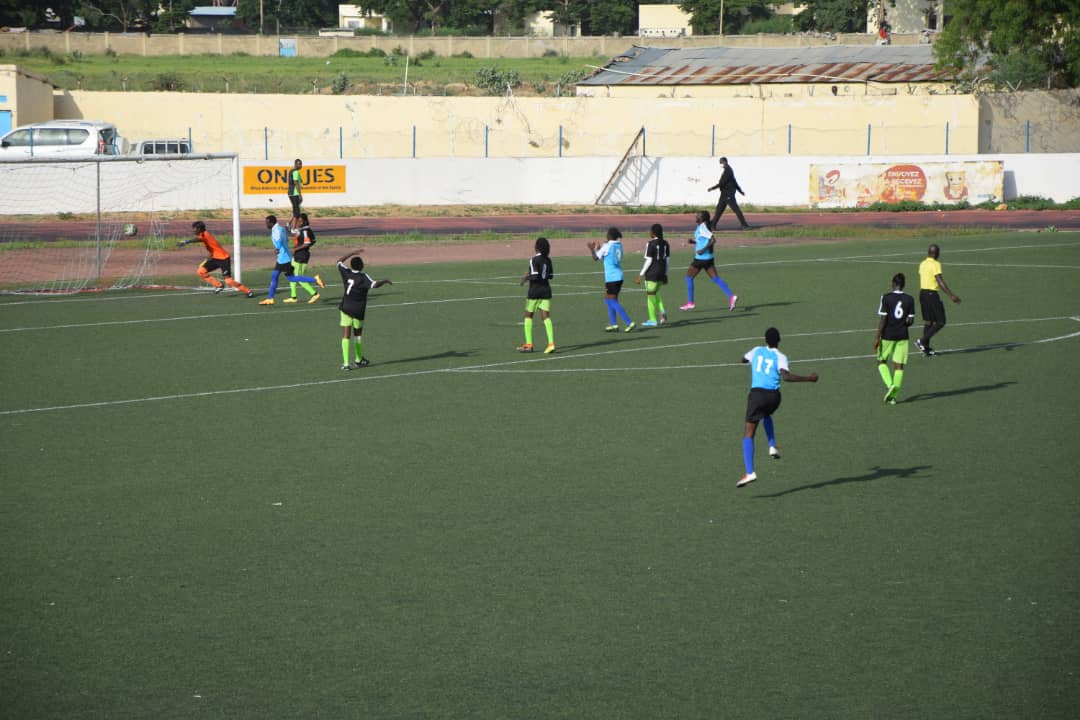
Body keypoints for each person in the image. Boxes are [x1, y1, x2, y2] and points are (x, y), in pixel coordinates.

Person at [737, 327, 818, 488]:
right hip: (774, 397)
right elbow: (786, 377)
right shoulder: (780, 356)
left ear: (765, 340)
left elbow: (743, 359)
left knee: (748, 434)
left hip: (757, 395)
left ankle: (750, 472)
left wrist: (750, 360)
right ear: (779, 341)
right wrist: (808, 378)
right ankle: (772, 446)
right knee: (766, 414)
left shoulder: (756, 350)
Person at [337, 249, 391, 370]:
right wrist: (385, 281)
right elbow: (375, 285)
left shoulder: (346, 273)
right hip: (358, 310)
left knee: (346, 335)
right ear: (362, 266)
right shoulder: (363, 277)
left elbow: (339, 261)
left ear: (351, 265)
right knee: (357, 335)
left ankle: (346, 364)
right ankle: (358, 359)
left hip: (346, 307)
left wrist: (352, 253)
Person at [258, 214, 324, 306]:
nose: (266, 225)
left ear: (271, 222)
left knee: (276, 276)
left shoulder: (276, 230)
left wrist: (277, 248)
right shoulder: (281, 228)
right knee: (290, 278)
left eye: (267, 223)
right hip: (286, 256)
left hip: (283, 258)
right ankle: (273, 298)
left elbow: (279, 240)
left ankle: (270, 298)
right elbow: (287, 236)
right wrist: (293, 216)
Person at [176, 221, 253, 297]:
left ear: (199, 229)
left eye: (194, 229)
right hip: (215, 258)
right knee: (201, 271)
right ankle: (219, 285)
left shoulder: (205, 234)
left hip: (224, 259)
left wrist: (186, 242)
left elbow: (198, 239)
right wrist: (208, 258)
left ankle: (248, 291)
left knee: (228, 281)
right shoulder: (203, 235)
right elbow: (212, 248)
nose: (193, 230)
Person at [680, 210, 738, 312]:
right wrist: (693, 242)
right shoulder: (701, 227)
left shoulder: (702, 227)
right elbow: (703, 240)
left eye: (698, 215)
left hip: (700, 259)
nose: (696, 216)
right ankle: (731, 296)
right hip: (709, 258)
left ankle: (690, 303)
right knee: (715, 278)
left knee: (688, 278)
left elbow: (713, 240)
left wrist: (702, 250)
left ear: (702, 218)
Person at [874, 272, 916, 404]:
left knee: (881, 362)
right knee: (899, 366)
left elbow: (883, 319)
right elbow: (910, 321)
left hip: (888, 335)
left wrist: (877, 337)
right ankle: (893, 397)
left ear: (893, 283)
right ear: (903, 285)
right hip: (903, 336)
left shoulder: (886, 297)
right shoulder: (910, 299)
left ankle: (889, 385)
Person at [914, 243, 961, 356]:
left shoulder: (922, 263)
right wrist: (951, 295)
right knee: (941, 321)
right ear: (936, 253)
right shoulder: (935, 264)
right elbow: (939, 280)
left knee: (928, 322)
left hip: (922, 294)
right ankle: (922, 341)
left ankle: (925, 349)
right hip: (931, 294)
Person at [586, 227, 635, 333]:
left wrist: (592, 249)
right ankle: (614, 325)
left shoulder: (607, 246)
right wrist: (600, 249)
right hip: (619, 276)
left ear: (610, 236)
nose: (606, 236)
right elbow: (607, 257)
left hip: (612, 277)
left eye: (607, 234)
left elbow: (595, 258)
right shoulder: (618, 245)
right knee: (610, 299)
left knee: (610, 300)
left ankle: (629, 322)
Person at [518, 236, 555, 354]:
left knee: (528, 316)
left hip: (535, 291)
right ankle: (551, 343)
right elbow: (550, 276)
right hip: (546, 290)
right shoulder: (548, 260)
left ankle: (529, 344)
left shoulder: (534, 260)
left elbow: (534, 276)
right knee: (546, 317)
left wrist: (525, 278)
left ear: (536, 247)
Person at [635, 222, 670, 328]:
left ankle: (652, 319)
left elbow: (649, 260)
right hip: (661, 273)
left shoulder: (650, 244)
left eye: (650, 231)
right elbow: (667, 260)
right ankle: (662, 311)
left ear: (653, 233)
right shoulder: (666, 243)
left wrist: (640, 275)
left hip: (652, 274)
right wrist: (665, 274)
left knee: (650, 297)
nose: (649, 232)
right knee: (656, 293)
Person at [707, 156, 751, 230]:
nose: (720, 164)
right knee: (719, 210)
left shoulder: (728, 171)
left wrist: (712, 188)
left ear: (725, 162)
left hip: (728, 194)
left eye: (721, 162)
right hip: (724, 194)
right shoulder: (728, 170)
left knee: (736, 209)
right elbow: (734, 182)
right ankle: (713, 225)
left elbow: (722, 183)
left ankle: (744, 225)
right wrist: (740, 191)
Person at [284, 212, 319, 304]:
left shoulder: (305, 231)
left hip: (301, 256)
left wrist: (296, 249)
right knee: (291, 276)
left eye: (300, 221)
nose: (298, 223)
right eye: (298, 221)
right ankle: (293, 297)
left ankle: (314, 294)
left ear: (305, 221)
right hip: (297, 255)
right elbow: (288, 229)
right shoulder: (302, 229)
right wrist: (293, 217)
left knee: (299, 278)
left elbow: (307, 243)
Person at [287, 158, 304, 232]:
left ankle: (289, 224)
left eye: (301, 163)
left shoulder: (291, 171)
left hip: (291, 193)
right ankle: (293, 229)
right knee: (297, 213)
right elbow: (296, 183)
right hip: (295, 194)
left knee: (295, 210)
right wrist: (300, 194)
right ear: (295, 164)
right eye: (299, 164)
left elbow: (298, 181)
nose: (301, 165)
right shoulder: (296, 172)